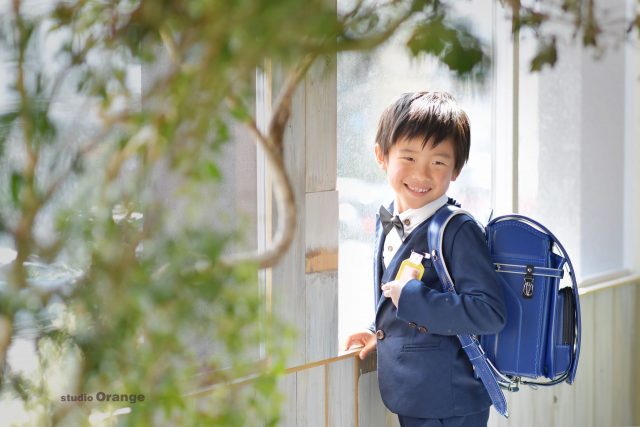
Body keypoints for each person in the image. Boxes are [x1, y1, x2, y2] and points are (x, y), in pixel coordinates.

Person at [344, 91, 506, 427]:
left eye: (438, 162)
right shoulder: (386, 219)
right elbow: (397, 295)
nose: (422, 174)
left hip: (451, 402)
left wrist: (413, 299)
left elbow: (489, 312)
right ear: (381, 155)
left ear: (456, 169)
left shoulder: (457, 229)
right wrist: (380, 331)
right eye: (409, 157)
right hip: (417, 393)